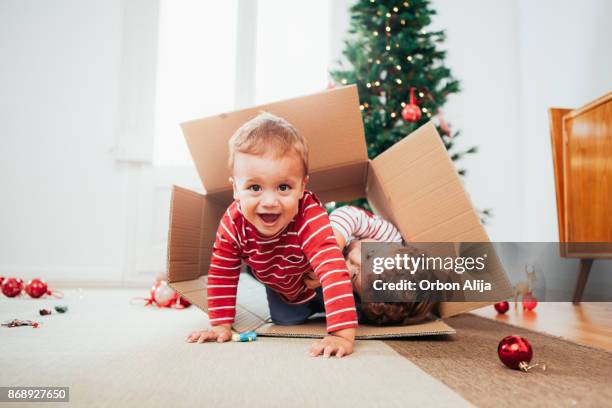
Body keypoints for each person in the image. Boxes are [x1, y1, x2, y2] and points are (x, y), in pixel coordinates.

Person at [185, 112, 358, 358]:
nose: (269, 202)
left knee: (360, 300)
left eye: (283, 187)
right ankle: (310, 308)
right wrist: (220, 324)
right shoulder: (233, 224)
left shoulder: (309, 216)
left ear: (302, 188)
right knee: (286, 320)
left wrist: (342, 334)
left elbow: (332, 269)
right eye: (254, 188)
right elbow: (223, 271)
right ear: (235, 188)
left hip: (322, 279)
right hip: (284, 288)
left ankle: (349, 310)